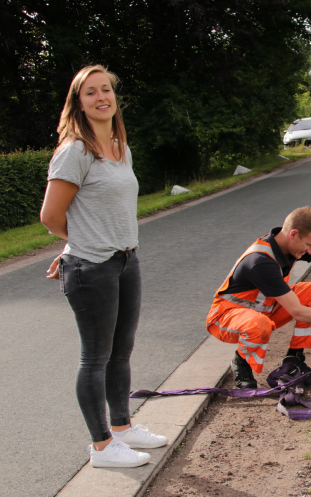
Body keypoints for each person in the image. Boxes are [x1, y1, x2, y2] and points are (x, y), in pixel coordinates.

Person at [40, 65, 168, 468]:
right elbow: (50, 215)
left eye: (106, 90)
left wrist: (90, 238)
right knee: (95, 357)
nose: (101, 98)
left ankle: (123, 428)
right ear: (78, 104)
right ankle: (101, 447)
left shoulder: (119, 147)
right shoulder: (75, 151)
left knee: (121, 353)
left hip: (126, 260)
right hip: (91, 267)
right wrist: (79, 244)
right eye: (91, 92)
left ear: (115, 96)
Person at [206, 206, 311, 389]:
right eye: (309, 245)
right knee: (259, 325)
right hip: (225, 317)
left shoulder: (302, 243)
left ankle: (294, 361)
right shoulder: (261, 260)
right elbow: (297, 312)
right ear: (293, 234)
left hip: (264, 309)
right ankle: (241, 363)